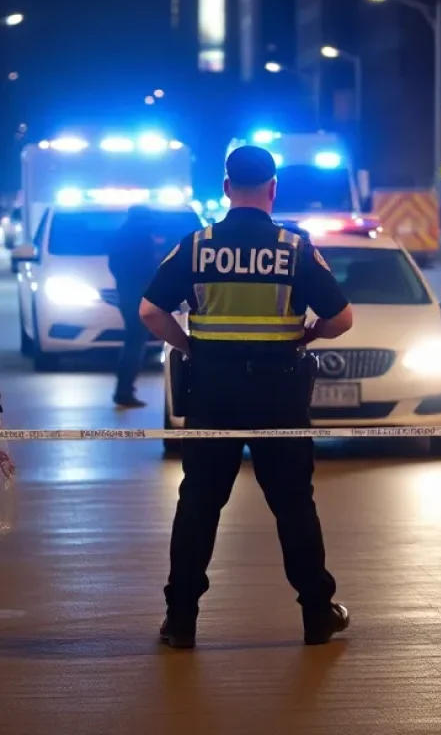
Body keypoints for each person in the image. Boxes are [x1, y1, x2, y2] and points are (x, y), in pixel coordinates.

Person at [139, 145, 354, 649]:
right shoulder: (294, 247)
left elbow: (150, 311)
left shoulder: (196, 245)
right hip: (279, 392)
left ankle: (181, 620)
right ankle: (317, 616)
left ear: (226, 187)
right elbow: (342, 319)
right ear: (274, 189)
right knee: (294, 505)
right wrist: (306, 337)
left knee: (199, 503)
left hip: (212, 390)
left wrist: (192, 345)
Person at [109, 205, 163, 408]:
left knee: (133, 340)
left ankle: (124, 390)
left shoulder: (123, 233)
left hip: (127, 294)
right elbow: (147, 268)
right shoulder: (140, 235)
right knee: (135, 343)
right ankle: (124, 391)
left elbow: (114, 265)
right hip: (137, 296)